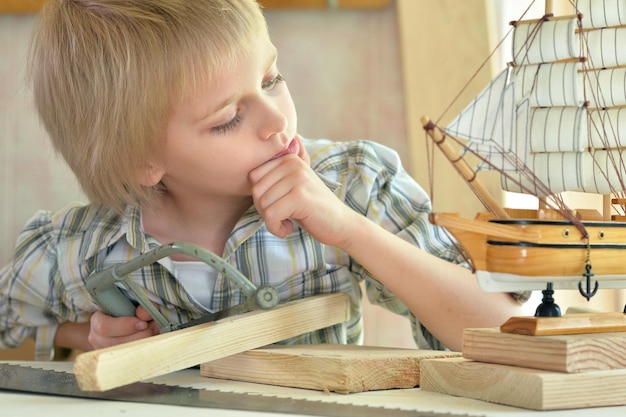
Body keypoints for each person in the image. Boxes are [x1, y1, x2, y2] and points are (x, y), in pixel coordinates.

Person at [0, 0, 528, 361]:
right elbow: (12, 332)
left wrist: (349, 231)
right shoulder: (83, 248)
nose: (277, 120)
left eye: (271, 78)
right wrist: (84, 339)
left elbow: (502, 335)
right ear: (142, 162)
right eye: (228, 118)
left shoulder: (353, 185)